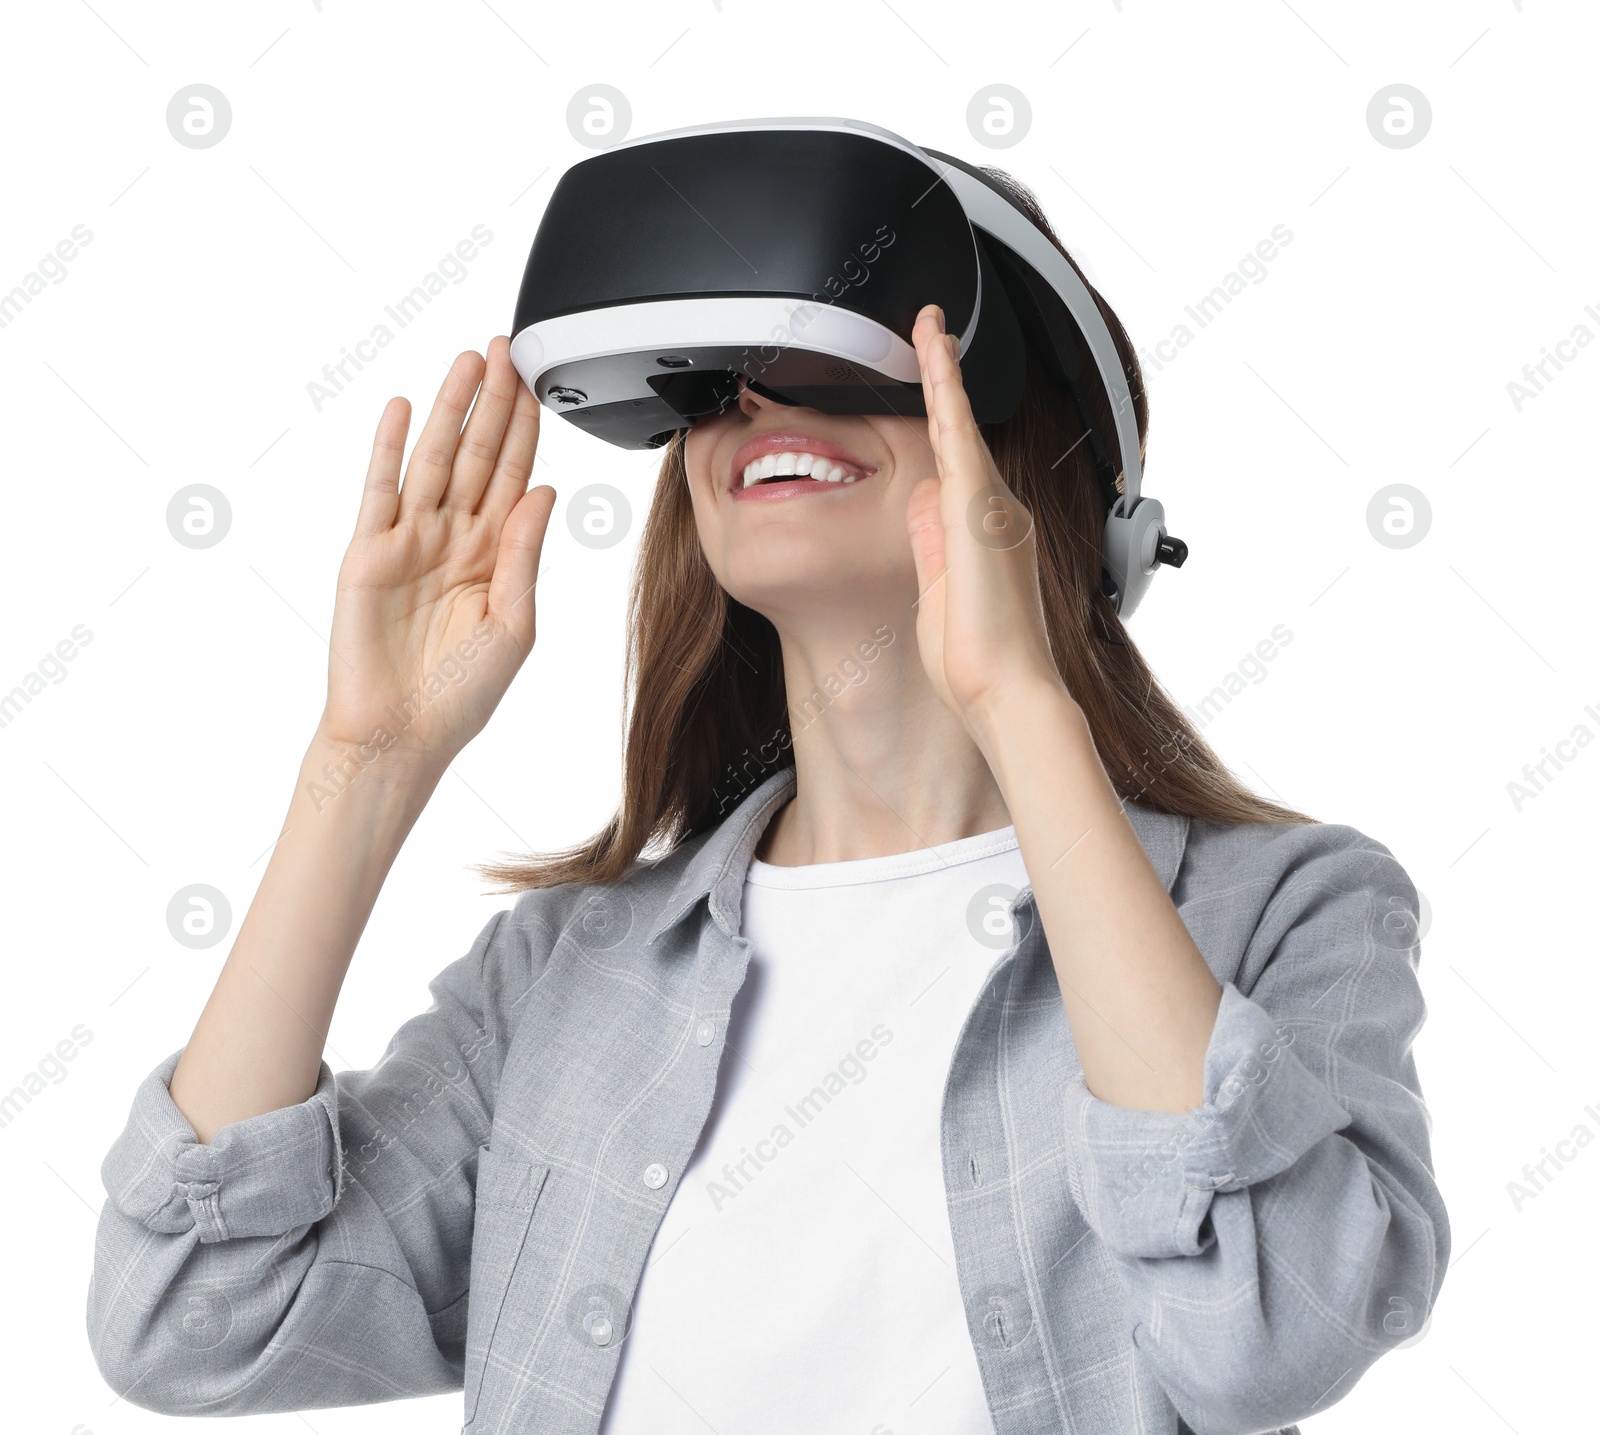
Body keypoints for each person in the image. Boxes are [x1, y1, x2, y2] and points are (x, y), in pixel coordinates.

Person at [87, 167, 1448, 1435]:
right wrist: (364, 764)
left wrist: (1025, 705)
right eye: (712, 385)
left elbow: (1273, 1333)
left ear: (1031, 449)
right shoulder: (565, 975)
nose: (755, 407)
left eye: (837, 360)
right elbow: (190, 1322)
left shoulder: (1286, 911)